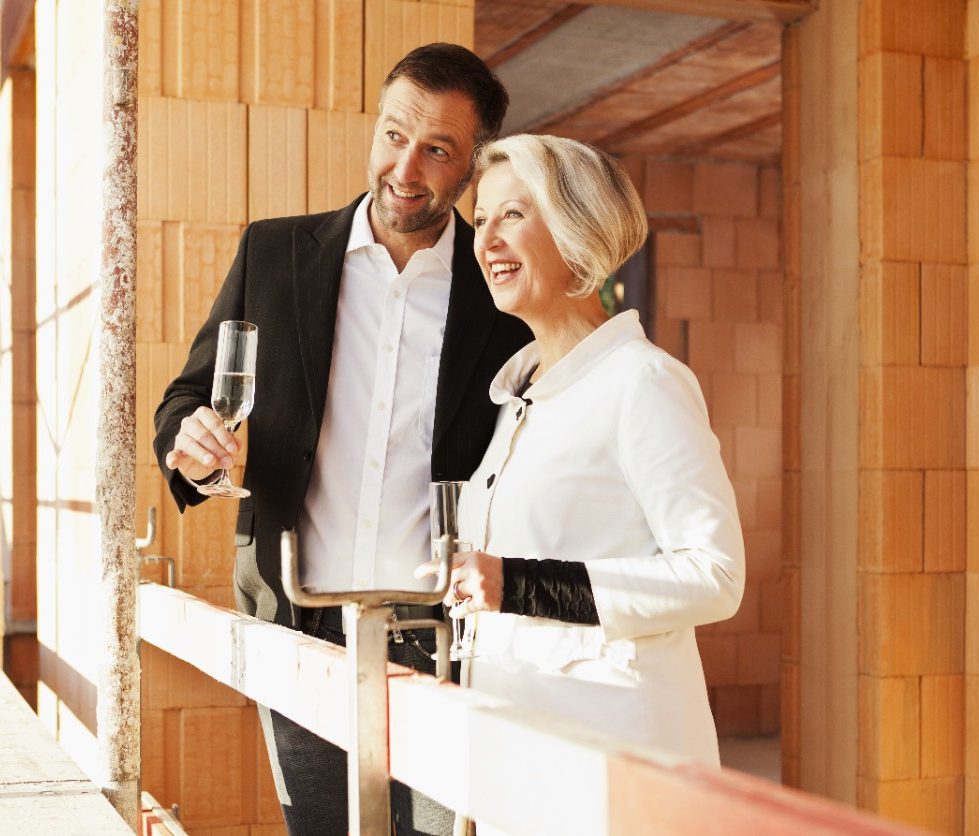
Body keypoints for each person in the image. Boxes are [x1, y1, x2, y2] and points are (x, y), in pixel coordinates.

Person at [153, 43, 531, 836]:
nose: (406, 167)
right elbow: (189, 396)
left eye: (438, 150)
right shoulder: (275, 253)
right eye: (395, 135)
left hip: (443, 638)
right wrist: (186, 443)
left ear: (470, 167)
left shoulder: (500, 293)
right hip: (301, 625)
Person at [416, 134, 745, 777]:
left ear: (576, 231)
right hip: (522, 750)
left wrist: (518, 583)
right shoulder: (519, 396)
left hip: (616, 758)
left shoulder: (643, 382)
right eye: (480, 220)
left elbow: (716, 576)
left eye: (513, 214)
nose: (486, 240)